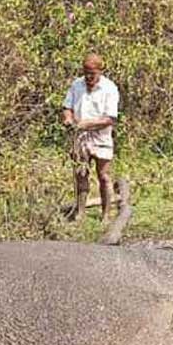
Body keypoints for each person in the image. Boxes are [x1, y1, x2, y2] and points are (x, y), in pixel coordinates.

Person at [62, 53, 120, 222]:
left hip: (101, 137)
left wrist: (85, 124)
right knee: (81, 173)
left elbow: (110, 119)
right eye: (86, 72)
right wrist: (68, 118)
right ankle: (80, 213)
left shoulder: (110, 88)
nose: (88, 77)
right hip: (80, 137)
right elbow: (67, 107)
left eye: (92, 74)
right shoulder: (76, 85)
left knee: (103, 176)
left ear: (100, 71)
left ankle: (106, 215)